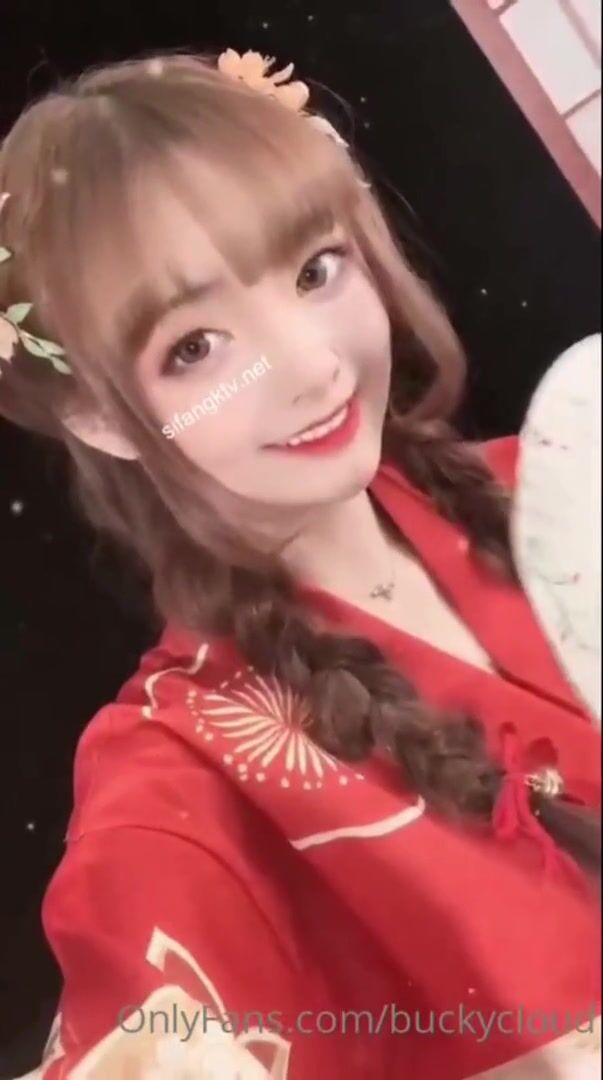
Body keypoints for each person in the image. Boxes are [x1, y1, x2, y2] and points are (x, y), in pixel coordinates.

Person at [0, 49, 600, 1080]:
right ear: (98, 415)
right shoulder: (186, 769)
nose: (313, 364)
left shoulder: (569, 471)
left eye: (315, 271)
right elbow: (146, 1005)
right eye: (196, 347)